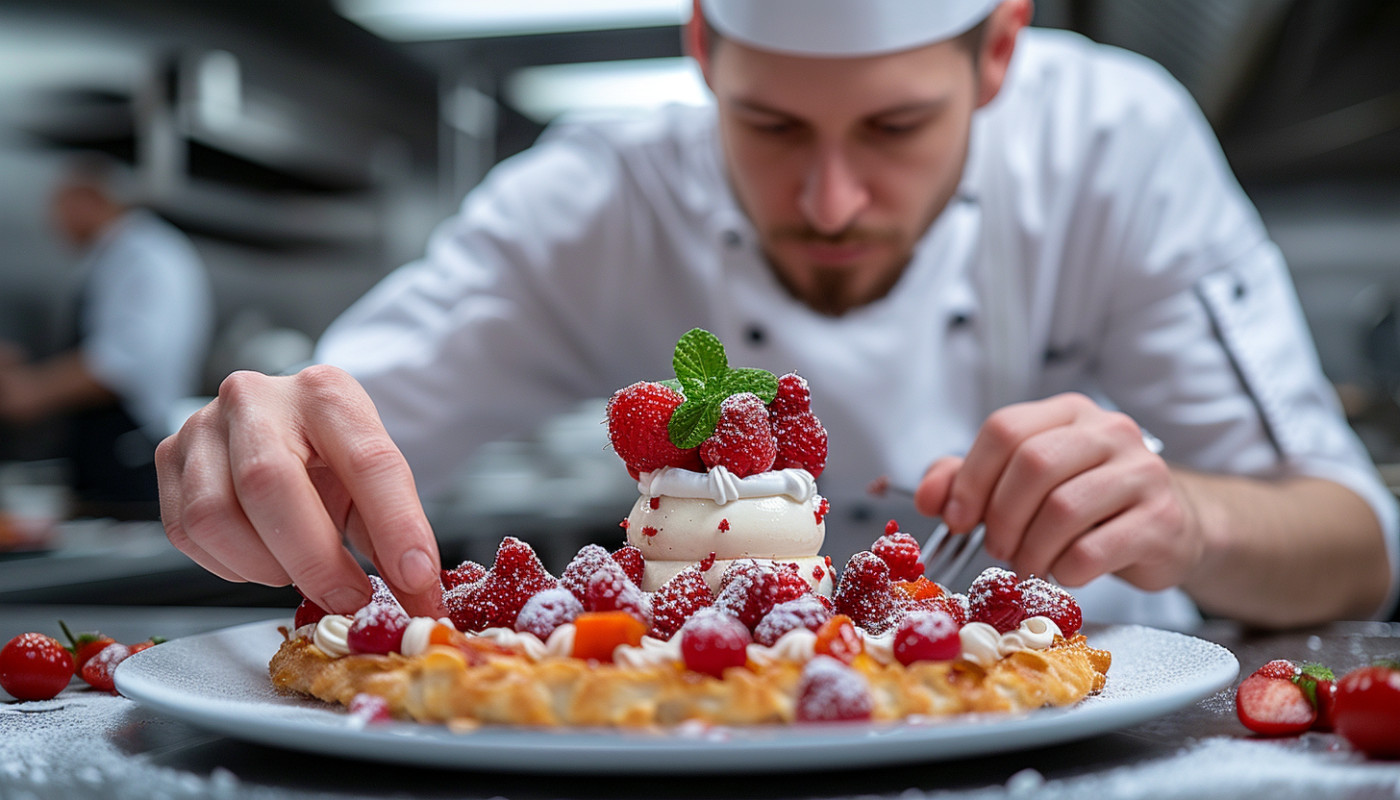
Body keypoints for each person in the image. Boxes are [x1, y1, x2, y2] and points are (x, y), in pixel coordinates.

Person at [155, 0, 1397, 629]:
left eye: (897, 128)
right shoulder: (594, 201)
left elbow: (1353, 538)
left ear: (999, 53)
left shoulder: (1117, 147)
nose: (830, 197)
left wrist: (1190, 517)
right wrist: (253, 436)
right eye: (771, 126)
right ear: (702, 50)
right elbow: (324, 427)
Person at [0, 156, 214, 515]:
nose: (54, 222)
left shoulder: (146, 255)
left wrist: (33, 391)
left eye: (59, 207)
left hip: (132, 445)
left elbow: (124, 362)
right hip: (102, 443)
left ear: (90, 198)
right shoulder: (111, 257)